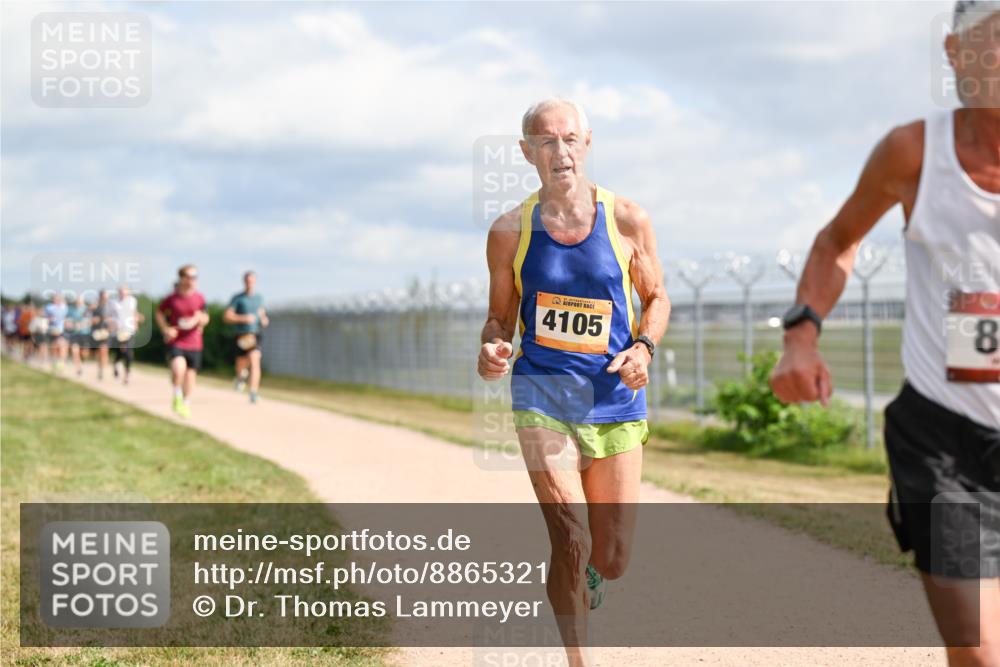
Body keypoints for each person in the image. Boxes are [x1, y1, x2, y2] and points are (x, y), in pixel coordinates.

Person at [770, 4, 999, 666]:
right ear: (955, 53)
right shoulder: (914, 153)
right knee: (979, 650)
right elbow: (836, 242)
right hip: (944, 441)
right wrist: (801, 335)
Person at [477, 99, 670, 666]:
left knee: (610, 557)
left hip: (614, 397)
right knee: (569, 535)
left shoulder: (627, 219)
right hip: (542, 393)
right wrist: (492, 347)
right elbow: (498, 318)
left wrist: (643, 348)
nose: (559, 151)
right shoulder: (510, 230)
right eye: (545, 141)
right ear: (526, 152)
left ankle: (589, 573)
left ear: (587, 143)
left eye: (569, 139)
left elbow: (656, 298)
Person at [156, 265, 208, 418]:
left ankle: (185, 402)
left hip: (194, 342)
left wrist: (200, 320)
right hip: (177, 341)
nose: (193, 280)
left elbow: (206, 317)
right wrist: (166, 329)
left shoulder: (200, 298)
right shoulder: (172, 299)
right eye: (190, 277)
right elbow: (159, 313)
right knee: (179, 369)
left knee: (190, 377)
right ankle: (177, 394)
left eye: (195, 277)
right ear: (182, 278)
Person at [224, 270, 269, 404]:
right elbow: (227, 316)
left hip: (255, 334)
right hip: (242, 335)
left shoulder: (259, 298)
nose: (250, 283)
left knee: (255, 359)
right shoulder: (238, 298)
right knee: (242, 362)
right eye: (248, 281)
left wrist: (264, 320)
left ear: (255, 281)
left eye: (252, 281)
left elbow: (261, 314)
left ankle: (253, 393)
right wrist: (243, 318)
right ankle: (240, 377)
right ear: (244, 282)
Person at [109, 285, 143, 385]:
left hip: (129, 330)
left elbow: (134, 312)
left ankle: (127, 373)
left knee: (128, 352)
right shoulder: (114, 303)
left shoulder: (132, 301)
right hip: (118, 331)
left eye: (125, 292)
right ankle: (116, 364)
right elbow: (111, 316)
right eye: (121, 292)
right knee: (120, 351)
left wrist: (136, 321)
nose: (123, 294)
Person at [65, 294, 92, 377]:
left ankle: (82, 360)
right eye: (77, 301)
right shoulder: (71, 310)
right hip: (74, 334)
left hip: (85, 334)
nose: (78, 303)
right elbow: (67, 321)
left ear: (83, 302)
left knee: (84, 353)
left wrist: (81, 325)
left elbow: (89, 322)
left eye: (79, 301)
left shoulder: (87, 310)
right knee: (74, 351)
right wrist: (69, 325)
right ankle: (78, 369)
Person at [43, 293, 69, 372]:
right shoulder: (49, 307)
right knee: (54, 347)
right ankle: (54, 362)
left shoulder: (64, 307)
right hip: (52, 330)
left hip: (61, 330)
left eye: (59, 299)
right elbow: (45, 317)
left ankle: (62, 363)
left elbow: (67, 316)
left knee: (62, 344)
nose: (57, 300)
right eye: (55, 299)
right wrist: (49, 319)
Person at [90, 290, 113, 380]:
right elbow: (89, 318)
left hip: (106, 332)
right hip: (97, 332)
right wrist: (93, 319)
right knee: (97, 352)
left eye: (106, 297)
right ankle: (101, 366)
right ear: (100, 297)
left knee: (104, 350)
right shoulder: (95, 306)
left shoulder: (111, 306)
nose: (104, 299)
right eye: (103, 297)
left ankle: (102, 371)